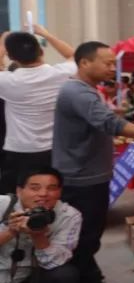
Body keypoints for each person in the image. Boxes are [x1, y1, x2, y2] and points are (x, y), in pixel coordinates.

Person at [52, 42, 134, 283]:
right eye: (107, 63)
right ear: (85, 63)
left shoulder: (85, 91)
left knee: (88, 231)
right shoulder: (78, 92)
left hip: (87, 171)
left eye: (113, 63)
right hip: (81, 175)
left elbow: (101, 119)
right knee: (86, 232)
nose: (113, 68)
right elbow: (110, 124)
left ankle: (87, 276)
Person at [0, 26, 77, 195]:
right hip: (51, 149)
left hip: (19, 149)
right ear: (41, 51)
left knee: (16, 196)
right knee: (48, 194)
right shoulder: (58, 74)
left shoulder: (8, 82)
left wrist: (2, 45)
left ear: (11, 57)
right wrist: (46, 34)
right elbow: (75, 56)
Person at [0, 168, 81, 283]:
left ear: (60, 192)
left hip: (28, 282)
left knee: (65, 274)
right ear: (19, 191)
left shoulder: (68, 216)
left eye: (51, 188)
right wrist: (10, 232)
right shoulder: (2, 205)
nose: (43, 194)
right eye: (34, 188)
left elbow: (57, 261)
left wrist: (38, 236)